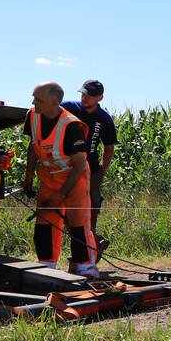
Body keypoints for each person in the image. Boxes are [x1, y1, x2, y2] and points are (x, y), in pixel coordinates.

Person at [22, 81, 99, 278]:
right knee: (45, 222)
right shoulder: (32, 116)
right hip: (48, 176)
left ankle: (86, 269)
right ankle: (47, 269)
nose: (33, 102)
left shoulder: (71, 126)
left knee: (78, 223)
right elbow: (34, 144)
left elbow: (80, 164)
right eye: (33, 97)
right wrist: (28, 176)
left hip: (74, 177)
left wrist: (61, 194)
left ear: (55, 101)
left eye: (38, 99)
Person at [62, 79, 116, 249]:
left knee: (89, 210)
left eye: (90, 95)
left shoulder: (104, 119)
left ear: (100, 98)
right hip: (66, 168)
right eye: (83, 94)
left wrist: (101, 170)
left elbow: (109, 147)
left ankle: (89, 247)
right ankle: (94, 242)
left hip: (91, 170)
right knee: (64, 211)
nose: (85, 98)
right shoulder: (68, 107)